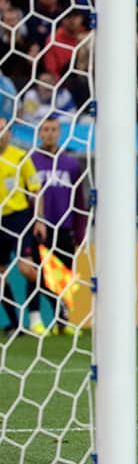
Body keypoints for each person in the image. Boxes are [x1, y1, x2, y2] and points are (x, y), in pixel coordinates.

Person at [23, 117, 84, 336]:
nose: (49, 133)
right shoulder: (29, 160)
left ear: (60, 133)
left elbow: (79, 200)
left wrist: (79, 232)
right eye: (45, 129)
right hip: (37, 226)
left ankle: (62, 320)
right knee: (35, 274)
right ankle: (35, 319)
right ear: (39, 133)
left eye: (54, 129)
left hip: (64, 227)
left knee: (62, 275)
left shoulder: (71, 163)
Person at [0, 118, 46, 337]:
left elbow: (36, 189)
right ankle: (14, 323)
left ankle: (35, 318)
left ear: (9, 132)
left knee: (27, 269)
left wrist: (38, 219)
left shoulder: (21, 157)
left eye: (2, 130)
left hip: (18, 219)